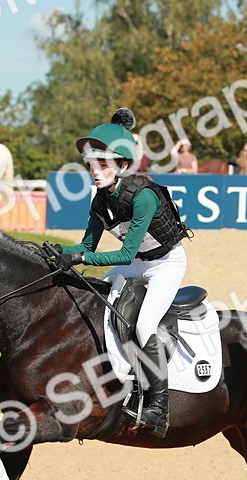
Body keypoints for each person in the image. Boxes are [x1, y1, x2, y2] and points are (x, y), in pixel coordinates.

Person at [54, 107, 191, 438]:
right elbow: (86, 243)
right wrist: (57, 252)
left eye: (103, 165)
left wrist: (81, 257)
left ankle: (159, 407)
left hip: (165, 264)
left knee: (144, 324)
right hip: (137, 263)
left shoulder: (142, 196)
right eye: (92, 165)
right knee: (96, 297)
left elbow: (125, 252)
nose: (94, 172)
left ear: (124, 166)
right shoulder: (100, 200)